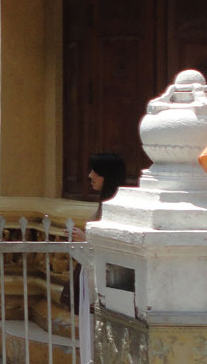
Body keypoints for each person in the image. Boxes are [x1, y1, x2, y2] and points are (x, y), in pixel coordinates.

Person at [70, 152, 126, 364]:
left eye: (96, 171)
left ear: (107, 175)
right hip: (90, 274)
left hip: (101, 279)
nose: (90, 176)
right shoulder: (104, 204)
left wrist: (85, 238)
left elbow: (115, 248)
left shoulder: (116, 208)